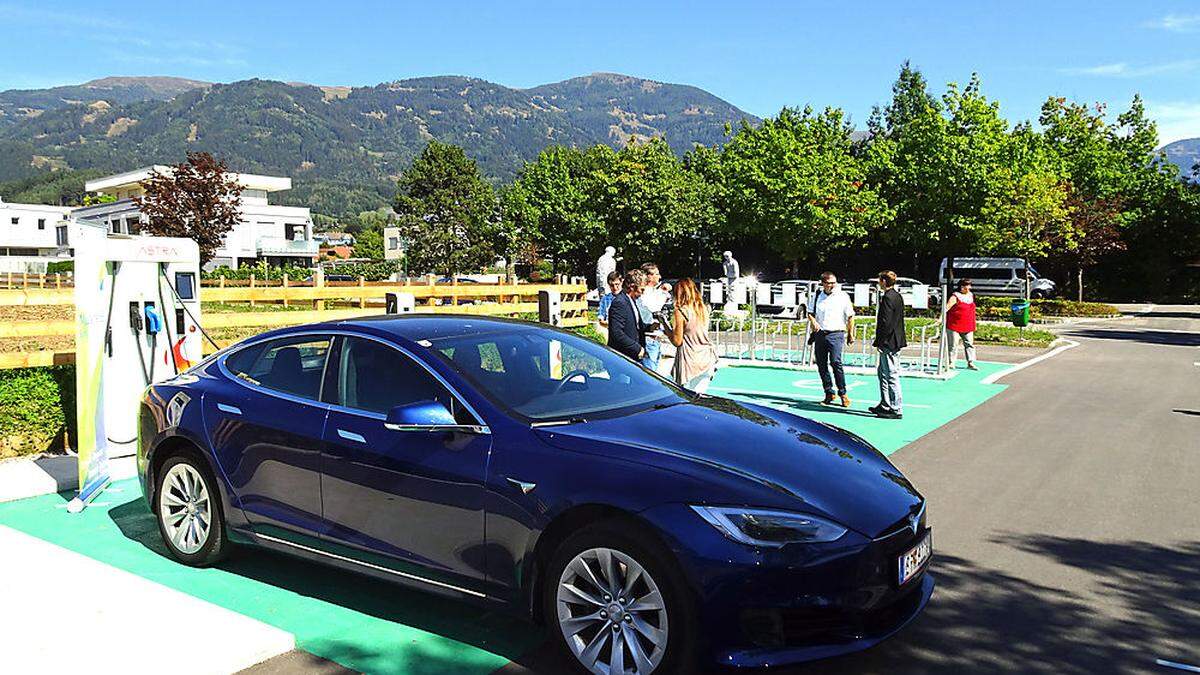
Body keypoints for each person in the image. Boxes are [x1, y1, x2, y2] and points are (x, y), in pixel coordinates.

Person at [807, 271, 855, 407]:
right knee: (821, 364)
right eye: (829, 283)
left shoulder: (842, 296)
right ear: (823, 283)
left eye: (834, 283)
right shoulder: (817, 295)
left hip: (836, 333)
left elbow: (850, 316)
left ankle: (843, 393)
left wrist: (850, 333)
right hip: (821, 334)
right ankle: (828, 392)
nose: (832, 285)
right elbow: (810, 312)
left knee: (836, 362)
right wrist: (813, 322)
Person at [670, 278, 718, 393]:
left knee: (685, 399)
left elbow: (677, 341)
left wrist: (666, 327)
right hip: (706, 357)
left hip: (689, 359)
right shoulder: (704, 309)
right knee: (700, 398)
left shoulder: (681, 311)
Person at [870, 270, 907, 419]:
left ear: (884, 281)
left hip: (889, 342)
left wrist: (880, 341)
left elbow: (886, 322)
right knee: (882, 372)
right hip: (894, 339)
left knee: (891, 374)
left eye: (879, 280)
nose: (879, 282)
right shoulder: (897, 296)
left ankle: (896, 408)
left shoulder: (887, 298)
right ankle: (885, 403)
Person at [607, 269, 647, 361]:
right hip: (621, 358)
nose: (643, 293)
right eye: (642, 289)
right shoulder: (620, 303)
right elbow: (617, 333)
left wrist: (649, 327)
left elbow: (633, 325)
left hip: (631, 356)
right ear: (632, 287)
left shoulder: (631, 300)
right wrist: (637, 348)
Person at [638, 263, 671, 372]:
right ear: (649, 276)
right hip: (648, 339)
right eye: (656, 274)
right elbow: (653, 309)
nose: (659, 277)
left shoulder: (653, 291)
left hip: (655, 339)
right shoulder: (644, 293)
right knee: (649, 375)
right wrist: (663, 293)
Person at [944, 278, 978, 370]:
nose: (969, 287)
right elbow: (946, 308)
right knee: (953, 345)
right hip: (954, 324)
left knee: (969, 344)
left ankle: (970, 362)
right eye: (967, 285)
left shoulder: (971, 295)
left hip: (968, 324)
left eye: (969, 285)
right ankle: (951, 362)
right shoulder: (955, 296)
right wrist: (940, 319)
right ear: (962, 287)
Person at [595, 271, 622, 342]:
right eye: (612, 285)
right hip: (609, 331)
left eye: (617, 284)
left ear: (621, 283)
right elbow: (601, 318)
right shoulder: (605, 299)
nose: (615, 288)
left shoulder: (626, 298)